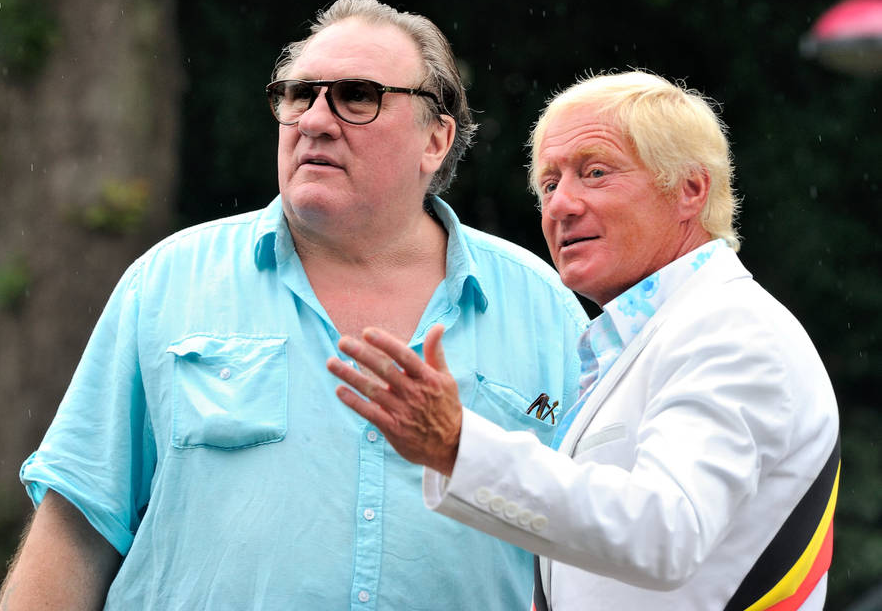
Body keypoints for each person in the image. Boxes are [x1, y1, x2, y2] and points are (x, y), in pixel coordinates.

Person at [0, 0, 587, 610]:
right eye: (299, 95)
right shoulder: (170, 283)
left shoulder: (545, 313)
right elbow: (75, 530)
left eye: (357, 95)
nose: (315, 120)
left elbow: (597, 552)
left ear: (435, 139)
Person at [328, 70, 841, 610]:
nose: (560, 206)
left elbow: (665, 532)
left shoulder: (731, 327)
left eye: (594, 173)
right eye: (549, 184)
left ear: (691, 189)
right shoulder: (660, 332)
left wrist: (458, 446)